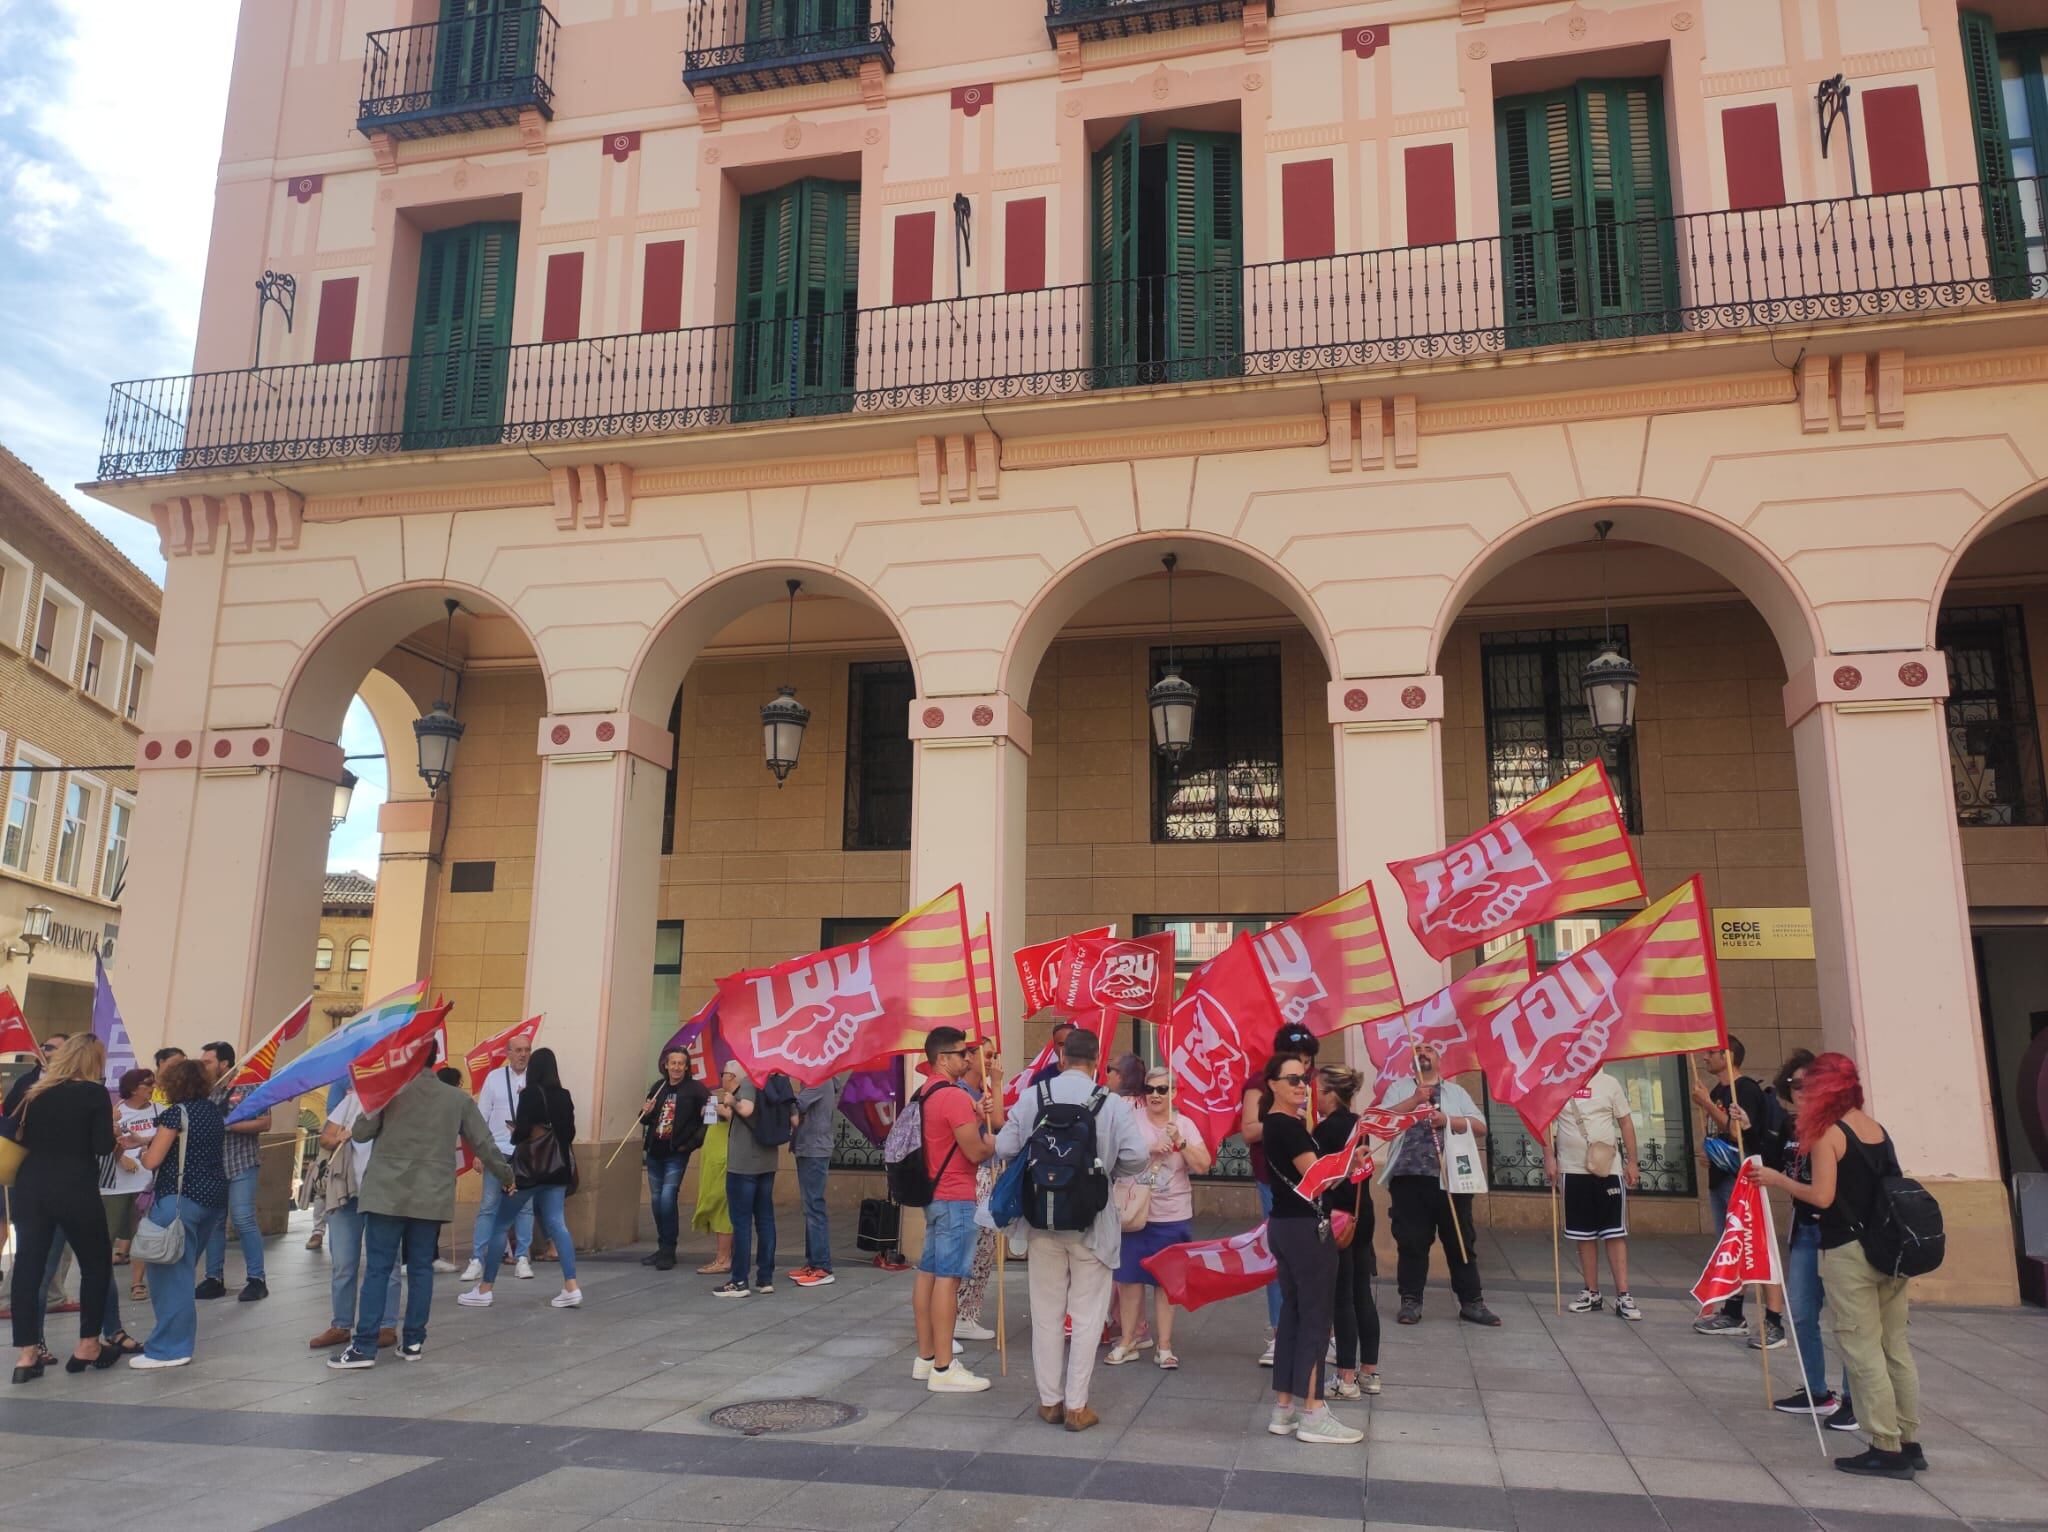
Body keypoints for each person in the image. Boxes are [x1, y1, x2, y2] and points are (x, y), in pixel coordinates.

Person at [1754, 1052, 1924, 1479]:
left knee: (1862, 1348)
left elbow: (1822, 1197)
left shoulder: (1830, 1132)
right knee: (1895, 1350)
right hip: (1890, 1251)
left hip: (1850, 1252)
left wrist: (1778, 1180)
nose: (1804, 1092)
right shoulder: (1875, 1128)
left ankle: (1884, 1447)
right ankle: (1908, 1441)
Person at [992, 1026, 1147, 1432]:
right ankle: (1078, 1406)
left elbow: (1005, 1148)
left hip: (1042, 1220)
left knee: (1046, 1313)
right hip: (1092, 1222)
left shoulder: (1033, 1097)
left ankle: (1050, 1402)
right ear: (1097, 1062)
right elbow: (1138, 1158)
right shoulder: (1110, 1104)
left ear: (1060, 1059)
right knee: (1088, 1314)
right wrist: (1105, 1169)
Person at [327, 1052, 514, 1369]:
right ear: (434, 1060)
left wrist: (379, 1095)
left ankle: (364, 1347)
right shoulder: (457, 1098)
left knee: (378, 1269)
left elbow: (361, 1132)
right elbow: (484, 1142)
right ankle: (413, 1341)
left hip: (386, 1194)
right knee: (420, 1270)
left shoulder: (390, 1091)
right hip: (431, 1196)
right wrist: (507, 1177)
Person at [1261, 1054, 1363, 1444]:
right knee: (1316, 1319)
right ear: (1272, 1084)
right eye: (1291, 1080)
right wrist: (1351, 1163)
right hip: (1305, 1229)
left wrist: (1347, 1164)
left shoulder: (1277, 1125)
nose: (1301, 1086)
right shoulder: (1287, 1126)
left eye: (1303, 1079)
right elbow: (1317, 1177)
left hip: (1285, 1225)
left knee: (1293, 1314)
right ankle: (1313, 1411)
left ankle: (1284, 1407)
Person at [8, 1036, 116, 1384]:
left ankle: (26, 1354)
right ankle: (87, 1345)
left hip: (31, 1187)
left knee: (28, 1267)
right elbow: (102, 1145)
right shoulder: (94, 1094)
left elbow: (14, 1132)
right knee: (96, 1264)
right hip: (75, 1188)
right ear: (93, 1061)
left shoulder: (33, 1092)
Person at [1380, 1040, 1498, 1327]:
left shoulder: (1456, 1092)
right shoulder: (1399, 1089)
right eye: (1417, 1049)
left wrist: (1447, 1120)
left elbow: (1481, 1127)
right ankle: (1411, 1301)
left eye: (1429, 1049)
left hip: (1452, 1179)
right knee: (1411, 1242)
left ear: (1439, 1059)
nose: (1422, 1053)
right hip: (1409, 1179)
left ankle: (1472, 1302)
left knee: (1460, 1241)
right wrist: (1414, 1101)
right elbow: (1383, 1123)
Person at [1766, 1050, 1856, 1427]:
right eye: (1794, 1085)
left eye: (1809, 1084)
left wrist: (1783, 1182)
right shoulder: (1791, 1127)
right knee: (1802, 1312)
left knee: (1850, 1318)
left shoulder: (1837, 1128)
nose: (1801, 1091)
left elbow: (1828, 1190)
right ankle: (1817, 1391)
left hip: (1838, 1232)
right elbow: (1765, 1158)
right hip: (1805, 1231)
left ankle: (1855, 1399)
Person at [906, 1028, 999, 1392]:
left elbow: (943, 1135)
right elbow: (975, 1151)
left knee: (928, 1272)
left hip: (933, 1194)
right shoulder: (955, 1097)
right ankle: (944, 1368)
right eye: (963, 1053)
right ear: (943, 1058)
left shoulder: (926, 1091)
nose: (969, 1058)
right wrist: (994, 1142)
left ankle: (926, 1357)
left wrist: (975, 1113)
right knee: (948, 1277)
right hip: (955, 1195)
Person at [459, 1048, 583, 1311]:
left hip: (530, 1170)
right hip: (558, 1168)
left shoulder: (529, 1094)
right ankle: (571, 1286)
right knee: (558, 1224)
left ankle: (485, 1289)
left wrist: (516, 1131)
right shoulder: (564, 1095)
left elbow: (522, 1133)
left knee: (501, 1223)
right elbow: (569, 1132)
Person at [1108, 1067, 1209, 1371]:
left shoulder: (1185, 1124)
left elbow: (1203, 1165)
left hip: (1172, 1214)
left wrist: (1180, 1143)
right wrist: (1147, 1149)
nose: (1154, 1094)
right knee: (1128, 1280)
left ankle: (1164, 1346)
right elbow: (1111, 1158)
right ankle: (1128, 1340)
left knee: (1166, 1282)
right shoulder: (1131, 1122)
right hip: (1135, 1213)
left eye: (1162, 1089)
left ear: (1174, 1093)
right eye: (1149, 1089)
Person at [132, 1058, 229, 1369]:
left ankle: (169, 1349)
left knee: (169, 1275)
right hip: (211, 1200)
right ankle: (176, 1342)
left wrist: (143, 1151)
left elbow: (152, 1161)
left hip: (178, 1199)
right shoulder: (214, 1112)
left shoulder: (176, 1113)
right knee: (183, 1272)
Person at [1691, 1037, 1785, 1345]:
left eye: (1711, 1053)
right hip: (1722, 1177)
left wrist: (1706, 1103)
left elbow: (1737, 1132)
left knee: (1755, 1245)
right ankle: (1733, 1313)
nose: (1705, 1058)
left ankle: (1774, 1320)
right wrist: (1710, 1152)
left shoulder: (1744, 1089)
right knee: (1732, 1246)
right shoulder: (1717, 1090)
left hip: (1744, 1179)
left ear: (1728, 1055)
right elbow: (1723, 1136)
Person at [1240, 1022, 1319, 1364]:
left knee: (1313, 1258)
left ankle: (1316, 1332)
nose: (1303, 1065)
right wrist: (1283, 1119)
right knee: (1279, 1256)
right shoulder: (1260, 1084)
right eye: (1296, 1057)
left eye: (1307, 1058)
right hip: (1274, 1179)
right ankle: (1278, 1333)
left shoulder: (1313, 1083)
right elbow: (1248, 1130)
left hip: (1311, 1178)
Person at [1544, 1066, 1642, 1321]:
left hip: (1607, 1168)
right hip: (1572, 1169)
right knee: (1583, 1234)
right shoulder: (1559, 1082)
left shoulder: (1610, 1083)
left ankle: (1623, 1294)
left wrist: (1632, 1161)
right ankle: (1592, 1292)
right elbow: (1545, 1123)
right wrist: (1549, 1158)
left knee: (1614, 1232)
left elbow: (1625, 1122)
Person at [309, 1086, 401, 1353]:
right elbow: (325, 1137)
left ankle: (386, 1325)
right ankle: (341, 1324)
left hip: (383, 1192)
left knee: (388, 1263)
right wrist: (341, 1137)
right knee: (343, 1263)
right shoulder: (352, 1101)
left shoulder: (399, 1101)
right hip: (346, 1191)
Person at [1312, 1065, 1379, 1398]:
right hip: (1362, 1213)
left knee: (1342, 1297)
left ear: (1332, 1094)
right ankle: (1369, 1372)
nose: (1314, 1096)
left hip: (1338, 1218)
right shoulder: (1359, 1126)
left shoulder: (1327, 1131)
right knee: (1362, 1292)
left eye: (1318, 1090)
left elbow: (1319, 1177)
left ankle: (1346, 1378)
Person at [198, 1041, 270, 1303]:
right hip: (213, 1166)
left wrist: (226, 1125)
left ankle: (256, 1279)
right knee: (214, 1223)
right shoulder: (203, 1091)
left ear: (224, 1064)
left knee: (242, 1219)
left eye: (208, 1061)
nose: (203, 1065)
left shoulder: (248, 1086)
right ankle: (213, 1278)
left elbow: (265, 1122)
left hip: (241, 1163)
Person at [464, 1033, 536, 1282]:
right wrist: (478, 1153)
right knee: (488, 1205)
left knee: (525, 1208)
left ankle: (522, 1257)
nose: (523, 1054)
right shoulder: (494, 1078)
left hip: (525, 1153)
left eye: (527, 1050)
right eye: (518, 1050)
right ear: (508, 1052)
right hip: (496, 1152)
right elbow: (481, 1116)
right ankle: (476, 1259)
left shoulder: (535, 1079)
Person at [96, 1067, 157, 1357]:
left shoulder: (160, 1110)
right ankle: (101, 1287)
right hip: (115, 1185)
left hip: (148, 1182)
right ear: (132, 1087)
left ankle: (136, 1282)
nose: (151, 1088)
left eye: (153, 1083)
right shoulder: (116, 1112)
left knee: (142, 1234)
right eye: (146, 1084)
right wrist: (122, 1160)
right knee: (106, 1239)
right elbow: (106, 1143)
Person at [715, 1063, 783, 1297]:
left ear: (734, 1074)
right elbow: (793, 1119)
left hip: (743, 1165)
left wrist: (732, 1101)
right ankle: (765, 1278)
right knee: (765, 1219)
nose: (723, 1077)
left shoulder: (748, 1084)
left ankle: (739, 1280)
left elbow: (746, 1109)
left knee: (741, 1223)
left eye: (723, 1074)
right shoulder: (774, 1084)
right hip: (767, 1161)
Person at [639, 1047, 709, 1273]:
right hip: (655, 1151)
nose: (677, 1067)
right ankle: (662, 1246)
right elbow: (645, 1120)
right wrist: (646, 1111)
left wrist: (690, 1144)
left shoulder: (696, 1090)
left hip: (676, 1153)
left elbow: (709, 1119)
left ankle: (669, 1249)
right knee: (657, 1201)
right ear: (666, 1065)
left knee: (668, 1198)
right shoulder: (658, 1088)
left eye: (681, 1063)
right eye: (673, 1063)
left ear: (687, 1067)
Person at [791, 1073, 842, 1288]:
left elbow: (798, 1105)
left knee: (814, 1207)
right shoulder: (814, 1080)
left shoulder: (819, 1079)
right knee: (809, 1207)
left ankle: (822, 1266)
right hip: (807, 1147)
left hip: (814, 1149)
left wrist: (780, 1090)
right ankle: (812, 1262)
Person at [693, 1062, 737, 1276]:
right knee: (718, 1205)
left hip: (725, 1159)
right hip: (713, 1159)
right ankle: (726, 1256)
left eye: (726, 1074)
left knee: (721, 1207)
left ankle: (723, 1258)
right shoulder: (724, 1098)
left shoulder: (739, 1098)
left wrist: (725, 1110)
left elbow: (742, 1117)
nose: (723, 1077)